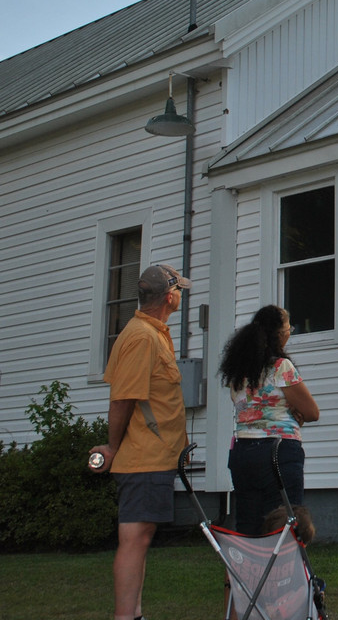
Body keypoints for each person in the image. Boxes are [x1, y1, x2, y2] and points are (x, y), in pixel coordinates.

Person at [88, 263, 191, 620]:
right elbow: (122, 400)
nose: (180, 295)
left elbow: (160, 400)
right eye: (178, 289)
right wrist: (112, 448)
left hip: (155, 455)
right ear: (168, 296)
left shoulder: (154, 332)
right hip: (141, 458)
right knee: (135, 540)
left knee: (141, 539)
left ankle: (134, 614)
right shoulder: (142, 337)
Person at [219, 306, 320, 535]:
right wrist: (294, 411)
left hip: (243, 452)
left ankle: (244, 570)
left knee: (247, 525)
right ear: (277, 333)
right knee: (284, 522)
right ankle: (283, 571)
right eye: (288, 327)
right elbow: (312, 412)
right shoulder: (280, 367)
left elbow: (251, 406)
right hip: (278, 452)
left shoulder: (238, 371)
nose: (289, 332)